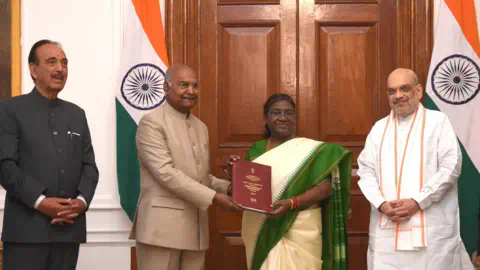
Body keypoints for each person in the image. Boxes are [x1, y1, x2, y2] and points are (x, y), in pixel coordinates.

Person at [357, 68, 473, 270]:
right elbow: (365, 171)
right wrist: (381, 203)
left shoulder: (438, 122)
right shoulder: (378, 129)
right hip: (387, 235)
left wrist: (418, 201)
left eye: (404, 88)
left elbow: (451, 167)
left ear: (418, 91)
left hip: (432, 235)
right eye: (392, 91)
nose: (398, 95)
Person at [130, 64, 242, 270]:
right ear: (166, 87)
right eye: (183, 85)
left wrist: (229, 188)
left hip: (195, 230)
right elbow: (166, 173)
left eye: (195, 85)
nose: (191, 91)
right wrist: (214, 198)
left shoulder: (200, 127)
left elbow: (203, 178)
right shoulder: (151, 123)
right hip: (161, 231)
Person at [0, 39, 99, 270]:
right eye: (52, 62)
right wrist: (42, 202)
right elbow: (5, 166)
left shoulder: (77, 114)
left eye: (64, 63)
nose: (60, 69)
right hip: (26, 232)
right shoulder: (10, 110)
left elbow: (90, 166)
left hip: (69, 230)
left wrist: (81, 202)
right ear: (33, 69)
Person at [227, 94, 351, 270]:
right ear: (266, 118)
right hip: (263, 226)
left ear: (295, 117)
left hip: (302, 225)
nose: (283, 117)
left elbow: (326, 188)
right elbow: (247, 190)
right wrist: (234, 173)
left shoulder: (310, 151)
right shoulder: (258, 149)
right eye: (276, 112)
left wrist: (294, 203)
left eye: (289, 113)